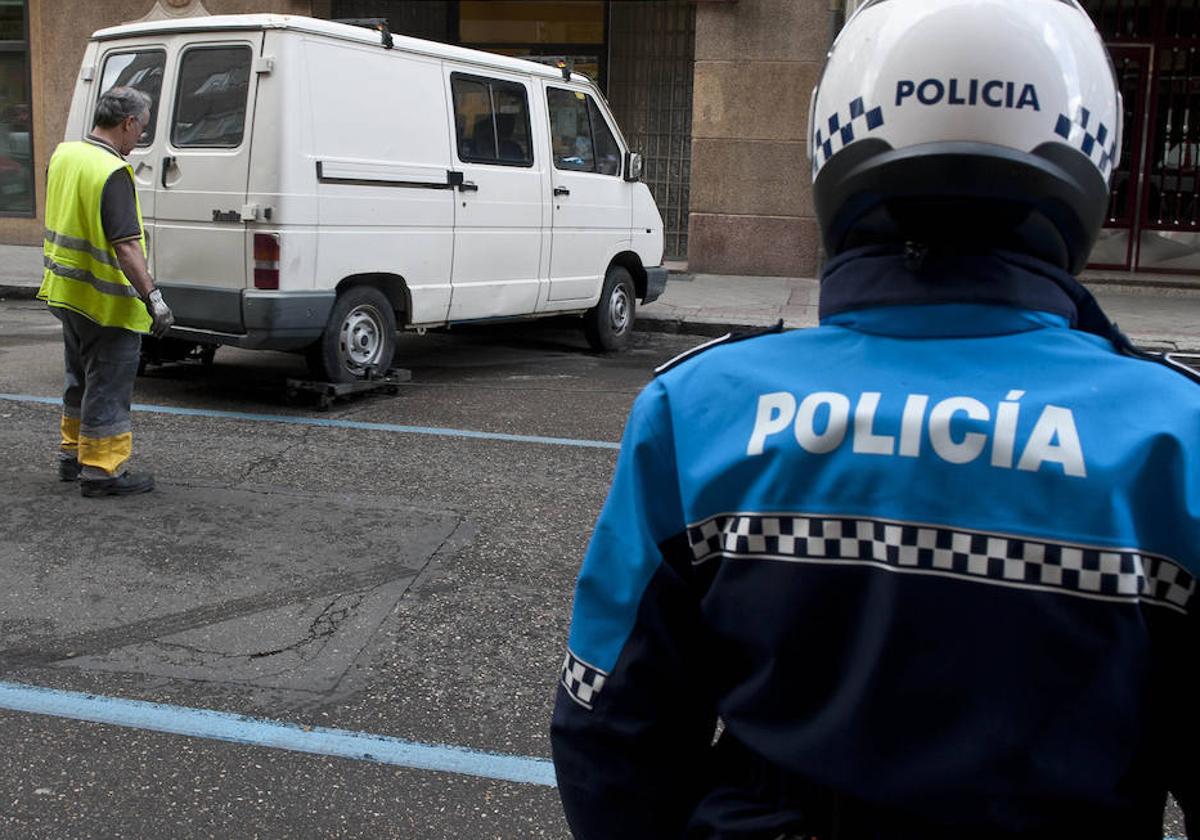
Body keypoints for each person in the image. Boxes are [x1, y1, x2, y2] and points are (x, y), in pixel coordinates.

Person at [550, 1, 1198, 837]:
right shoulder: (1175, 438)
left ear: (835, 145)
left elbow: (607, 725)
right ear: (1090, 156)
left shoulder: (698, 411)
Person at [38, 86, 174, 498]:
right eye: (142, 130)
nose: (140, 140)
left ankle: (72, 455)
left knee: (78, 378)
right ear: (128, 123)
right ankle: (101, 469)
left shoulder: (65, 154)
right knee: (108, 384)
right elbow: (126, 246)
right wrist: (154, 299)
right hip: (106, 302)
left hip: (66, 291)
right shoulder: (112, 171)